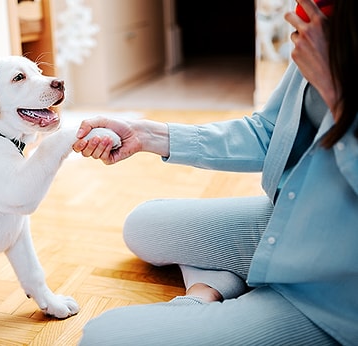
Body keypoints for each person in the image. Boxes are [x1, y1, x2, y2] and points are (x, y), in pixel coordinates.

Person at [73, 0, 357, 344]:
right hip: (296, 219)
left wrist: (335, 93)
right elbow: (268, 131)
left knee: (103, 337)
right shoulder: (323, 24)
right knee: (144, 224)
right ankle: (216, 286)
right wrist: (147, 135)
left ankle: (226, 296)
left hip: (336, 290)